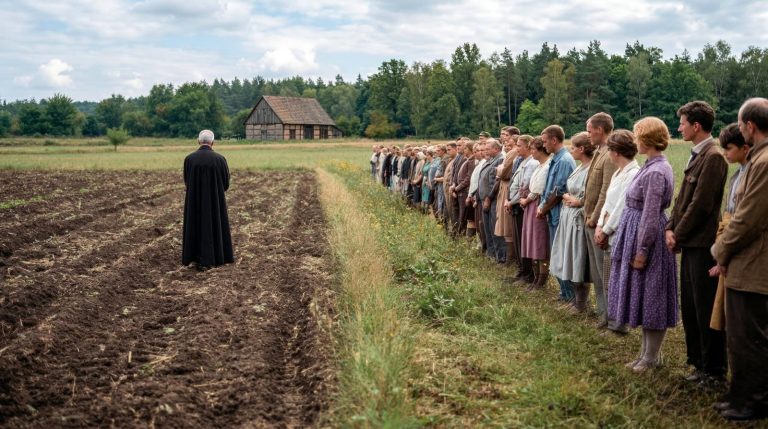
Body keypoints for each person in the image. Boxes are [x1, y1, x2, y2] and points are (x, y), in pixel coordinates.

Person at [711, 97, 768, 421]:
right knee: (740, 335)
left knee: (750, 337)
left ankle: (753, 402)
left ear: (750, 126)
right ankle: (740, 394)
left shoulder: (763, 162)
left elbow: (747, 219)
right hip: (746, 260)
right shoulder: (759, 159)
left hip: (755, 261)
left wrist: (719, 250)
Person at [607, 117, 677, 373]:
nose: (635, 141)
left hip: (647, 238)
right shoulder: (651, 165)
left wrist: (642, 249)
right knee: (645, 293)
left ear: (647, 139)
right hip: (636, 233)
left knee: (652, 296)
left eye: (638, 136)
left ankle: (651, 357)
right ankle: (646, 353)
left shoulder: (657, 171)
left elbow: (649, 214)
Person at [666, 101, 728, 387]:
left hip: (702, 246)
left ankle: (713, 370)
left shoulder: (714, 157)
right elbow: (682, 200)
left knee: (704, 308)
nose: (679, 127)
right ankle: (698, 364)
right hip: (690, 242)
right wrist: (670, 226)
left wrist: (677, 234)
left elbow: (701, 205)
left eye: (682, 123)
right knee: (690, 306)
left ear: (696, 126)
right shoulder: (697, 155)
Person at [594, 130, 640, 333]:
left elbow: (621, 206)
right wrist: (599, 225)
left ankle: (619, 322)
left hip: (618, 230)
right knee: (608, 276)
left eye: (611, 149)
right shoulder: (618, 172)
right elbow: (607, 202)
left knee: (618, 278)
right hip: (606, 226)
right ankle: (611, 317)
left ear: (616, 152)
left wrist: (605, 229)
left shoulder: (633, 174)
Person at [708, 124, 750, 332]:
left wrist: (723, 256)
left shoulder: (750, 174)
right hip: (726, 241)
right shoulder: (737, 174)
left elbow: (742, 220)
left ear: (745, 148)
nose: (725, 153)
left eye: (730, 148)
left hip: (736, 249)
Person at [550, 132, 593, 313]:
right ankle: (575, 300)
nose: (571, 150)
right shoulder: (579, 166)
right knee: (570, 256)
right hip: (569, 215)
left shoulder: (591, 169)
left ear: (582, 149)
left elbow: (589, 195)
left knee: (578, 258)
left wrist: (578, 201)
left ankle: (581, 303)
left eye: (574, 147)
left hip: (578, 217)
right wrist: (567, 196)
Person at [182, 129, 234, 271]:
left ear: (199, 141)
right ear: (213, 142)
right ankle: (216, 257)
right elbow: (225, 184)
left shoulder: (189, 159)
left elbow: (187, 181)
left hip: (194, 201)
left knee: (195, 225)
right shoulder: (220, 159)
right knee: (214, 224)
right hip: (214, 202)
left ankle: (193, 257)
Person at [583, 113, 617, 326]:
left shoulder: (610, 154)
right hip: (590, 220)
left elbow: (606, 191)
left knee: (606, 273)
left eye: (589, 130)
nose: (588, 135)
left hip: (598, 223)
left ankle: (611, 316)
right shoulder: (599, 152)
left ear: (600, 130)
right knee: (596, 271)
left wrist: (595, 218)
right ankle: (602, 313)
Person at [538, 125, 577, 302]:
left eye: (545, 142)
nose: (543, 145)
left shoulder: (564, 161)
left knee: (561, 255)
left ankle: (569, 295)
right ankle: (564, 293)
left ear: (554, 140)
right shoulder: (557, 159)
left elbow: (559, 190)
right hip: (552, 214)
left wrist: (543, 208)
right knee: (556, 253)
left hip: (558, 214)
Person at [519, 137, 549, 289]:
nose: (531, 152)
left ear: (540, 150)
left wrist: (527, 199)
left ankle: (542, 278)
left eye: (533, 149)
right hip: (531, 205)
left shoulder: (546, 166)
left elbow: (539, 188)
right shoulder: (539, 165)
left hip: (536, 205)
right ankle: (536, 276)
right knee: (531, 240)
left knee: (539, 242)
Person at [479, 139, 505, 263]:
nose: (486, 150)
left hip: (492, 199)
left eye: (488, 148)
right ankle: (492, 253)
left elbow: (496, 182)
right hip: (486, 199)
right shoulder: (491, 159)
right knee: (488, 228)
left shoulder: (500, 159)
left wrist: (488, 197)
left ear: (496, 149)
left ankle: (500, 256)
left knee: (495, 228)